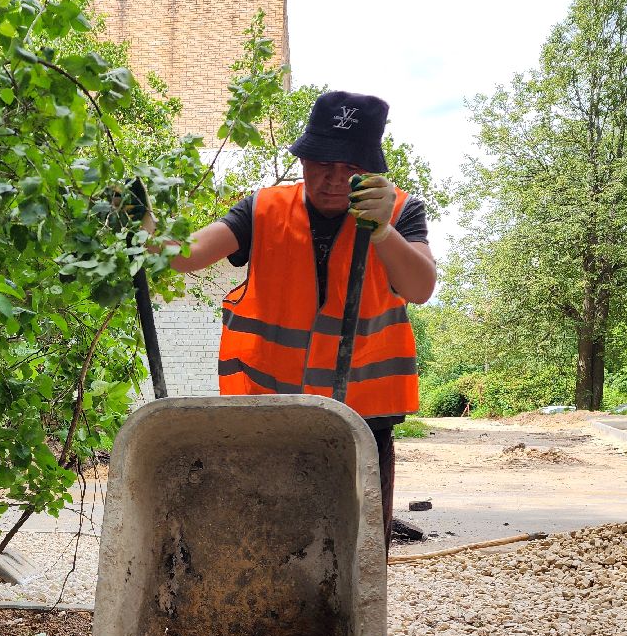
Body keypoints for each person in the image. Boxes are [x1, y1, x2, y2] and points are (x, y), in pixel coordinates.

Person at [168, 91, 437, 544]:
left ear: (369, 170)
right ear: (303, 160)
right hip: (271, 413)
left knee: (357, 549)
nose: (333, 179)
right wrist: (146, 231)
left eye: (349, 169)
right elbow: (186, 256)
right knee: (267, 539)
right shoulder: (263, 209)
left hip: (362, 420)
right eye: (322, 163)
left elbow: (421, 287)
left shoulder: (400, 211)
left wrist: (384, 232)